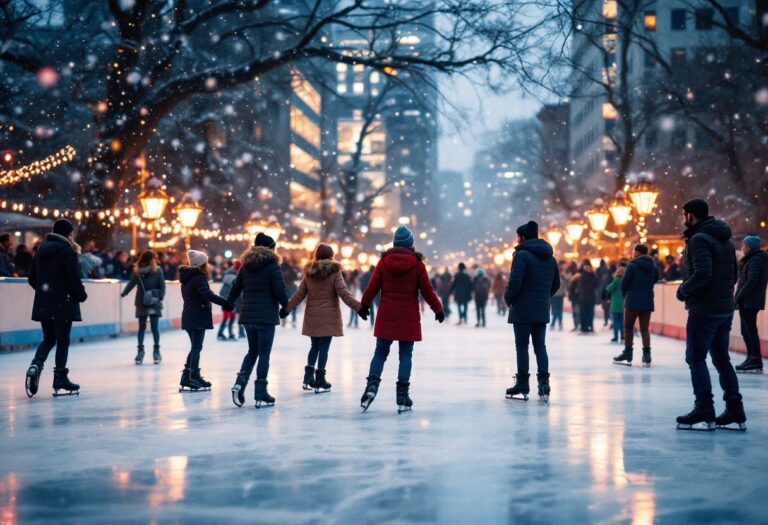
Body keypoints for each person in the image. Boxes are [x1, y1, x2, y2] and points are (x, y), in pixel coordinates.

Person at [675, 199, 746, 431]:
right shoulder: (725, 240)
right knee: (721, 359)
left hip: (704, 309)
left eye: (684, 214)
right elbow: (734, 274)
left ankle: (704, 407)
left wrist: (684, 290)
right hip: (724, 309)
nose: (682, 218)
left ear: (691, 216)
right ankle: (735, 409)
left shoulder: (699, 239)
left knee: (696, 358)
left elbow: (703, 273)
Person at [358, 225, 444, 413]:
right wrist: (438, 309)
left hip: (387, 313)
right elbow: (427, 290)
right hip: (407, 315)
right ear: (411, 243)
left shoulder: (383, 262)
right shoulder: (417, 265)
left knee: (380, 353)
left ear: (395, 242)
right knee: (405, 355)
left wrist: (364, 305)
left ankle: (371, 386)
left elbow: (372, 286)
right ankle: (402, 396)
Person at [281, 243, 364, 393]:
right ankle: (320, 379)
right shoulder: (334, 273)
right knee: (324, 348)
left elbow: (300, 294)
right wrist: (358, 307)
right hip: (328, 317)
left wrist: (287, 309)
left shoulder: (309, 272)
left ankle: (308, 378)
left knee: (314, 347)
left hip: (313, 316)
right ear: (331, 256)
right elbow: (344, 293)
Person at [25, 219, 87, 398]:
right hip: (64, 305)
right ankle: (60, 377)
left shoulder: (40, 251)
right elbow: (73, 279)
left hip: (45, 304)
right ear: (68, 234)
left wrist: (46, 293)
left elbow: (31, 278)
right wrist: (81, 295)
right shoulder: (68, 251)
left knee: (49, 339)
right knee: (63, 340)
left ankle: (36, 364)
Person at [226, 233, 288, 408]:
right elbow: (279, 290)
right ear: (270, 249)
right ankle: (260, 392)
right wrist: (286, 306)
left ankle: (240, 383)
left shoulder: (245, 267)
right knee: (264, 353)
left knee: (252, 351)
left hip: (248, 316)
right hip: (266, 316)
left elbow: (236, 287)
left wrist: (229, 303)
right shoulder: (272, 266)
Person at [503, 221, 560, 402]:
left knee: (522, 347)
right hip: (541, 309)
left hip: (522, 309)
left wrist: (509, 298)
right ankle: (544, 383)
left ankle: (522, 383)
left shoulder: (522, 256)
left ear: (522, 237)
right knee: (540, 346)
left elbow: (515, 282)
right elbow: (556, 284)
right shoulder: (551, 258)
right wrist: (544, 297)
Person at [178, 250, 232, 393]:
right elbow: (207, 295)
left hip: (191, 316)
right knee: (196, 347)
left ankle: (187, 376)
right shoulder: (198, 278)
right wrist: (225, 302)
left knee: (195, 347)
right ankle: (192, 376)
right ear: (202, 264)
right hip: (196, 316)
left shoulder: (188, 278)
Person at [613, 244, 659, 366]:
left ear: (637, 253)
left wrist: (626, 294)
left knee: (628, 328)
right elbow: (656, 279)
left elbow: (624, 283)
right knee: (645, 329)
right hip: (647, 302)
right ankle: (647, 354)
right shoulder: (653, 266)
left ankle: (628, 353)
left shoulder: (632, 266)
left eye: (634, 251)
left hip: (632, 302)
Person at [121, 250, 166, 365]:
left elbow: (131, 284)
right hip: (154, 302)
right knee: (155, 328)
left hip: (141, 302)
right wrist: (159, 297)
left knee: (141, 328)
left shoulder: (137, 271)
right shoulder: (158, 271)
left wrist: (124, 293)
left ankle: (140, 352)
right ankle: (156, 352)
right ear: (153, 259)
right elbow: (162, 287)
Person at [734, 236, 768, 373]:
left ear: (750, 247)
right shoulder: (753, 259)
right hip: (748, 300)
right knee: (746, 330)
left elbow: (752, 280)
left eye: (744, 245)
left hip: (750, 300)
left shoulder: (755, 259)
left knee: (750, 331)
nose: (742, 247)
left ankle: (754, 359)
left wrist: (740, 295)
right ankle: (752, 358)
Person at [217, 260, 240, 340]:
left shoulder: (229, 275)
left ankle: (229, 334)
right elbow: (228, 291)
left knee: (231, 318)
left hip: (228, 301)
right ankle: (221, 334)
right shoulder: (234, 278)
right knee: (227, 318)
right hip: (228, 302)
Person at [577, 260, 598, 334]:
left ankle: (588, 327)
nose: (588, 269)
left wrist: (593, 274)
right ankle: (584, 327)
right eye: (587, 267)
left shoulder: (592, 275)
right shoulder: (582, 275)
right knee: (584, 313)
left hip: (589, 297)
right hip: (584, 297)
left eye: (589, 267)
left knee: (589, 313)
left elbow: (596, 284)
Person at [606, 266, 625, 344]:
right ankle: (623, 336)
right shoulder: (625, 280)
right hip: (623, 304)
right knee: (621, 322)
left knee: (615, 322)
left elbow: (609, 288)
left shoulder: (616, 280)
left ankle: (616, 337)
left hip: (616, 304)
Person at [550, 262, 566, 331]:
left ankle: (556, 323)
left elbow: (565, 285)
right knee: (556, 310)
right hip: (555, 295)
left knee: (558, 310)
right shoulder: (555, 276)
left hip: (559, 295)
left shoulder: (562, 277)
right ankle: (557, 323)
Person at [566, 261, 581, 331]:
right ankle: (577, 325)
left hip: (575, 297)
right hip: (576, 296)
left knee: (576, 311)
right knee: (576, 311)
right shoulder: (575, 275)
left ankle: (577, 325)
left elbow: (570, 287)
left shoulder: (574, 276)